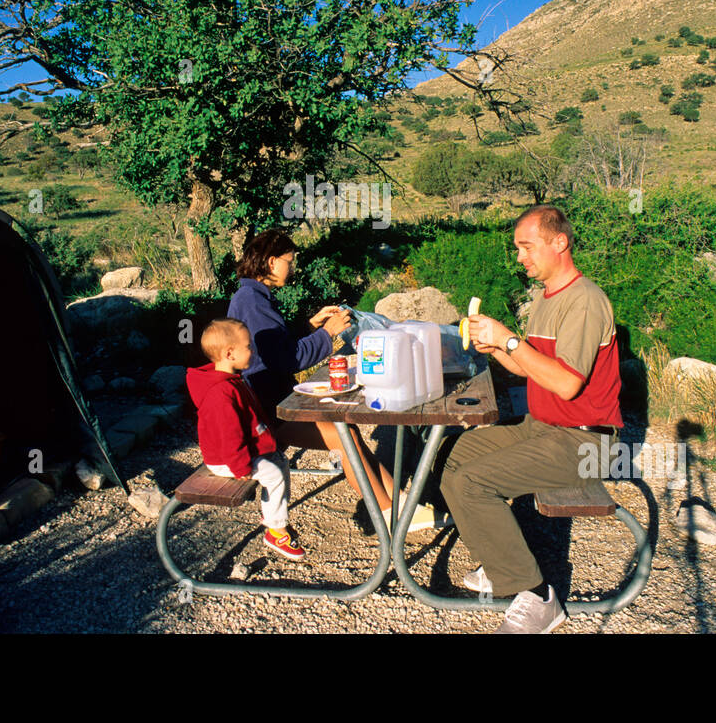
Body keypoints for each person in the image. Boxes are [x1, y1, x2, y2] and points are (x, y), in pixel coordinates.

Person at [440, 204, 623, 633]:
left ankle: (539, 597)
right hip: (545, 427)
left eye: (526, 247)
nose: (519, 257)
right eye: (517, 248)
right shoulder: (546, 297)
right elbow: (531, 367)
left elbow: (567, 385)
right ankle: (504, 561)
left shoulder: (584, 302)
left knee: (471, 482)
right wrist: (500, 350)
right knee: (454, 454)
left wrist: (507, 337)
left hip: (586, 443)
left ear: (559, 243)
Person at [227, 229, 448, 533]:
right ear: (270, 261)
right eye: (289, 262)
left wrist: (310, 325)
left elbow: (275, 346)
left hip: (271, 400)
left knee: (348, 433)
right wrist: (327, 333)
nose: (292, 268)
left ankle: (400, 502)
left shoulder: (252, 296)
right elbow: (287, 360)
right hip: (266, 412)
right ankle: (388, 512)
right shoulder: (252, 300)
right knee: (342, 438)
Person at [185, 318, 306, 560]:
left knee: (279, 462)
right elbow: (229, 435)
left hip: (238, 453)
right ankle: (276, 530)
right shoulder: (221, 392)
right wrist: (240, 466)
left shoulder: (230, 381)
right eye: (248, 346)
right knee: (273, 473)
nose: (253, 350)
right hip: (226, 459)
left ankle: (275, 517)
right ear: (230, 353)